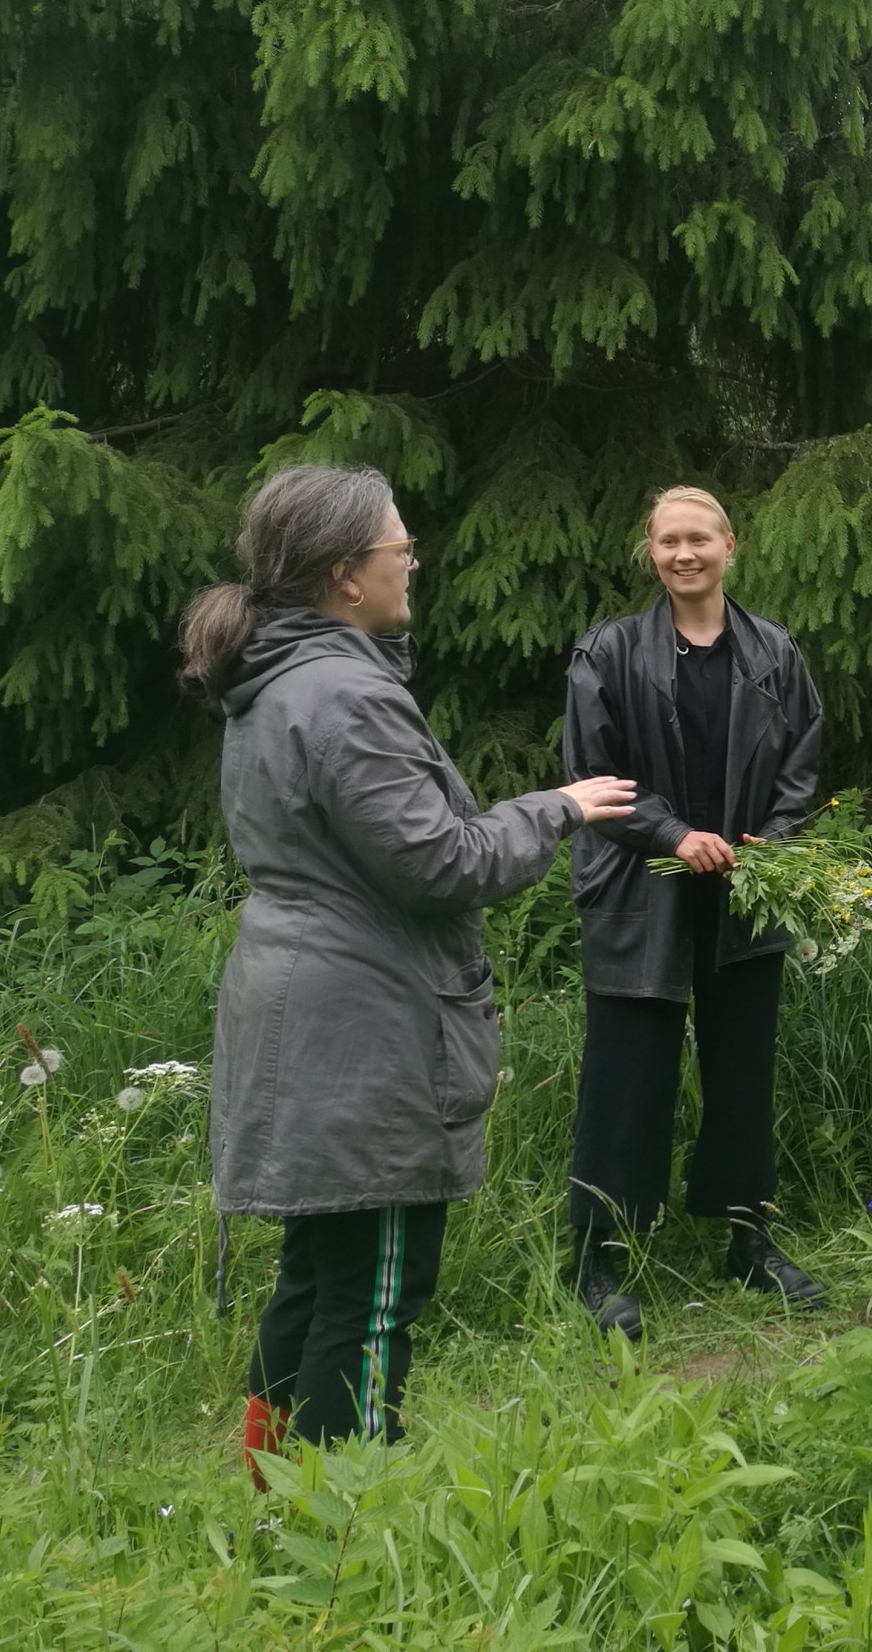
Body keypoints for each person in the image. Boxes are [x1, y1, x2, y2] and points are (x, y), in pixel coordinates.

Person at [180, 464, 634, 1480]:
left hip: (308, 997)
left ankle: (271, 1488)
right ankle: (347, 1520)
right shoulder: (342, 692)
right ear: (346, 574)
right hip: (363, 1017)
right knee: (376, 1287)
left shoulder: (279, 678)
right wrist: (555, 808)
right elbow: (443, 864)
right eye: (398, 548)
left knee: (316, 1273)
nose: (411, 560)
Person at [559, 485, 826, 1339]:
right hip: (640, 889)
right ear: (650, 552)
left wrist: (766, 847)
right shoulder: (608, 652)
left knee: (744, 1070)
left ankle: (748, 1239)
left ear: (729, 545)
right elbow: (590, 772)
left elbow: (802, 766)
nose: (684, 554)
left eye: (698, 539)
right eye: (668, 541)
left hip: (746, 891)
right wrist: (674, 835)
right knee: (626, 1076)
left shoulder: (775, 652)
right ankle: (596, 1258)